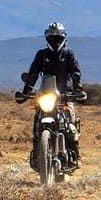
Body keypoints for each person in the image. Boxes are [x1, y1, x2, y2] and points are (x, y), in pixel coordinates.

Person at [19, 21, 83, 169]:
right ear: (47, 38)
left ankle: (75, 155)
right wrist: (26, 91)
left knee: (70, 125)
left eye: (58, 38)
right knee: (37, 122)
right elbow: (33, 74)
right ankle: (37, 155)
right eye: (52, 38)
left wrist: (77, 88)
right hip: (46, 95)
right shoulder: (42, 55)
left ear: (64, 38)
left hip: (65, 96)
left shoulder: (68, 54)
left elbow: (76, 72)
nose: (55, 41)